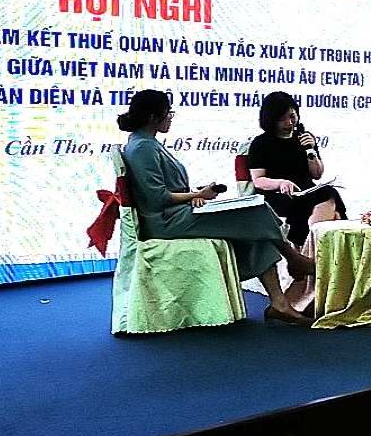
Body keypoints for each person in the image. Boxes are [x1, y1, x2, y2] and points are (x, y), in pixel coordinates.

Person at [118, 90, 314, 326]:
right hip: (167, 222)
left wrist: (195, 195)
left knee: (256, 226)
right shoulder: (142, 148)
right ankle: (293, 258)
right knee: (256, 211)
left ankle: (280, 304)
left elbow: (164, 190)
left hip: (178, 212)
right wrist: (197, 195)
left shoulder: (146, 143)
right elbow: (157, 199)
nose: (170, 117)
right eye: (168, 113)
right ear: (153, 117)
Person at [246, 91, 347, 247]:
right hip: (279, 194)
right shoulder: (261, 143)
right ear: (271, 119)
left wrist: (311, 150)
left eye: (292, 116)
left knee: (328, 192)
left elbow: (317, 174)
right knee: (332, 211)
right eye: (282, 119)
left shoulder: (303, 137)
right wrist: (281, 183)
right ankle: (313, 244)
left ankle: (311, 243)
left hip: (306, 190)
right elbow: (258, 180)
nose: (289, 123)